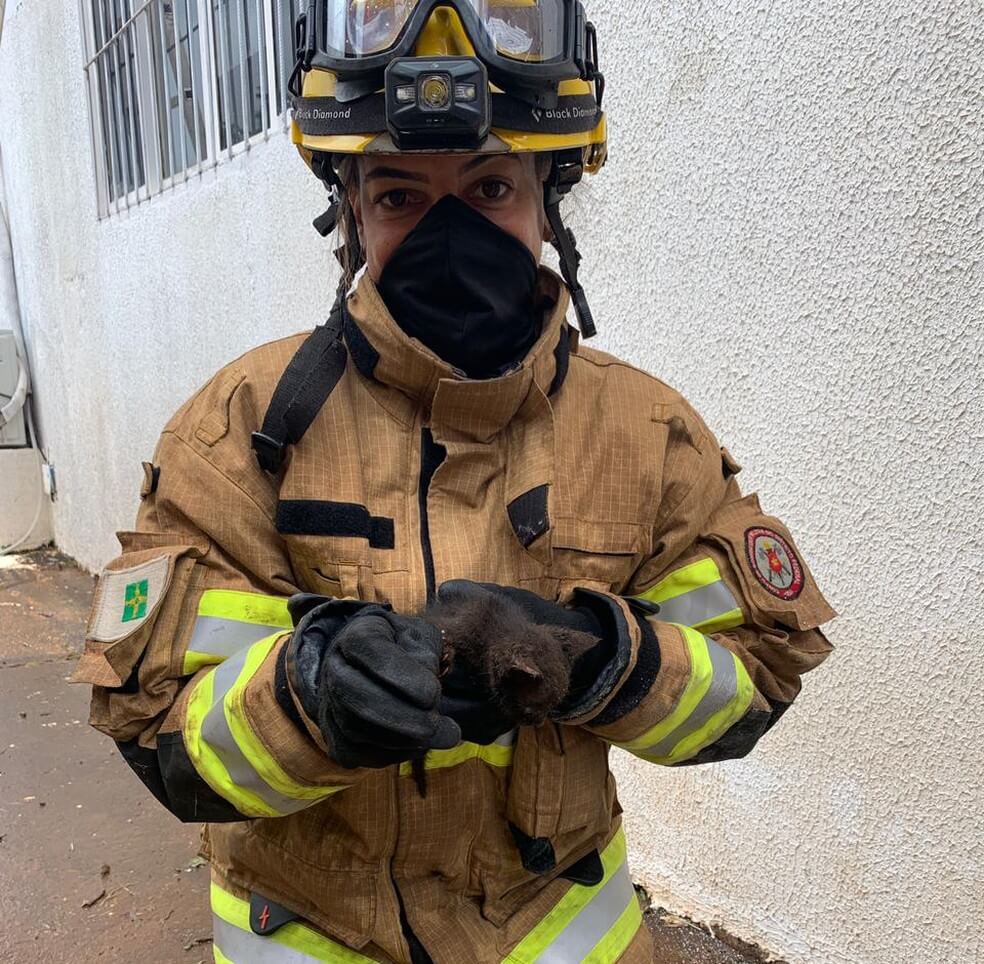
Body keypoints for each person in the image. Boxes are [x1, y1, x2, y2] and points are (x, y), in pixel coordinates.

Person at [74, 2, 836, 961]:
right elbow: (156, 730)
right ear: (348, 209)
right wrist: (307, 697)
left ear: (547, 201)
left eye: (487, 188)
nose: (447, 233)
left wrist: (607, 659)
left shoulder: (648, 435)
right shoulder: (240, 428)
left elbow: (755, 681)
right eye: (398, 196)